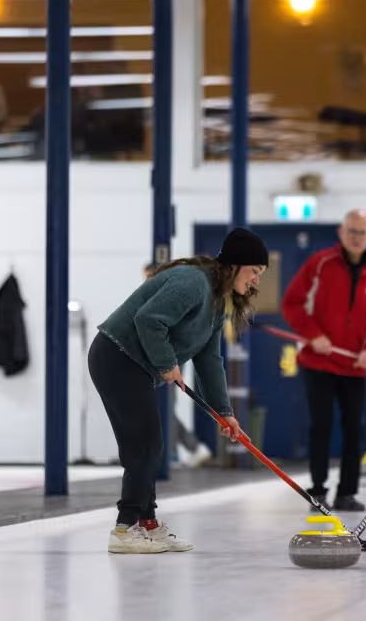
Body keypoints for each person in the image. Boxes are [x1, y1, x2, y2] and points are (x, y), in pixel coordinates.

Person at [89, 228, 268, 553]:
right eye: (254, 271)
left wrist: (223, 413)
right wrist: (167, 362)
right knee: (145, 446)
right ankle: (124, 529)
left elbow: (210, 359)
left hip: (134, 366)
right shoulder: (193, 283)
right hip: (117, 357)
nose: (256, 280)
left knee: (146, 445)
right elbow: (149, 320)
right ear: (235, 264)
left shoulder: (216, 301)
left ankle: (148, 524)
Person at [281, 210, 366, 512]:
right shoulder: (319, 265)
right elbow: (291, 303)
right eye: (352, 231)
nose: (357, 238)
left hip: (354, 367)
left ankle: (347, 493)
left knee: (354, 429)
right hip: (318, 362)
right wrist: (313, 334)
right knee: (321, 426)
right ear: (342, 232)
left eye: (363, 232)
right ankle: (317, 491)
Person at [143, 263, 213, 468]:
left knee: (162, 407)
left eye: (149, 277)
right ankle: (192, 448)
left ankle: (172, 454)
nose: (145, 282)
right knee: (160, 408)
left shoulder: (171, 299)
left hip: (168, 360)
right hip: (161, 360)